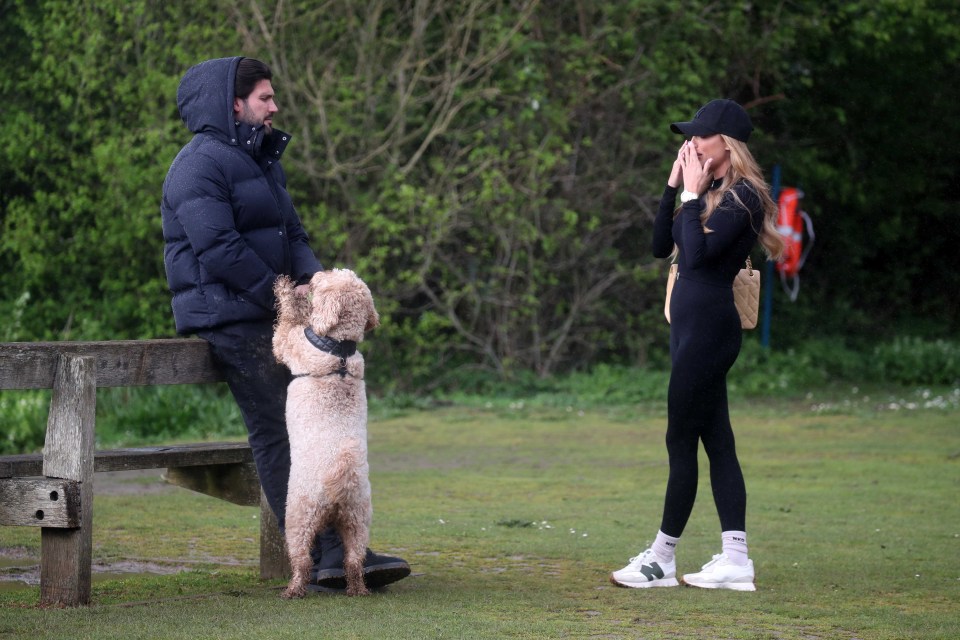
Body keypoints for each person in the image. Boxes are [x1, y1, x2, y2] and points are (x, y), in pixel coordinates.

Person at [161, 56, 410, 592]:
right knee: (279, 429)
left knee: (315, 430)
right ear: (234, 103)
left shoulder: (261, 161)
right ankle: (325, 556)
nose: (275, 107)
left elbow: (292, 234)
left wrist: (317, 284)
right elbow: (219, 248)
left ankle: (344, 550)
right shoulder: (196, 166)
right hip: (229, 317)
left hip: (271, 313)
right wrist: (284, 303)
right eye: (265, 98)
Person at [611, 99, 783, 591]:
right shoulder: (708, 191)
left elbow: (702, 258)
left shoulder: (745, 196)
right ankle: (735, 559)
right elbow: (660, 247)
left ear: (725, 144)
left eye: (698, 136)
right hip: (689, 330)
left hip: (710, 333)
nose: (689, 143)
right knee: (716, 441)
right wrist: (675, 189)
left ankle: (662, 557)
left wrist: (690, 196)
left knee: (680, 440)